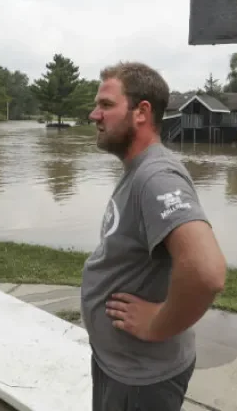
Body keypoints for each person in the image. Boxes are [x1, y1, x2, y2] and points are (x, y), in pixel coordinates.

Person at [81, 62, 227, 411]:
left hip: (142, 379)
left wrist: (158, 325)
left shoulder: (156, 177)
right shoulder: (139, 170)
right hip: (120, 366)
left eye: (105, 105)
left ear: (141, 112)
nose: (93, 114)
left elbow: (207, 273)